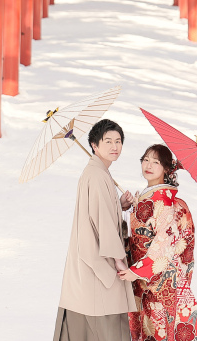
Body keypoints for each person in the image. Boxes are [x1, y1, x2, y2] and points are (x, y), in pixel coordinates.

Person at [54, 118, 137, 341]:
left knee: (88, 321)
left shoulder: (97, 172)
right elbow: (102, 224)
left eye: (118, 141)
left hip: (88, 257)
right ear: (94, 144)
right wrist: (119, 259)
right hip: (99, 260)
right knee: (103, 323)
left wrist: (118, 205)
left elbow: (97, 213)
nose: (114, 146)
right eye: (108, 141)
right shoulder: (98, 175)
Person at [118, 144, 197, 341]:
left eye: (156, 162)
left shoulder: (165, 203)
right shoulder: (148, 197)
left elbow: (162, 245)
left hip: (160, 279)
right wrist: (126, 207)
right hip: (143, 278)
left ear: (167, 169)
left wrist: (137, 270)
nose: (148, 165)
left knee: (159, 329)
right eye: (145, 160)